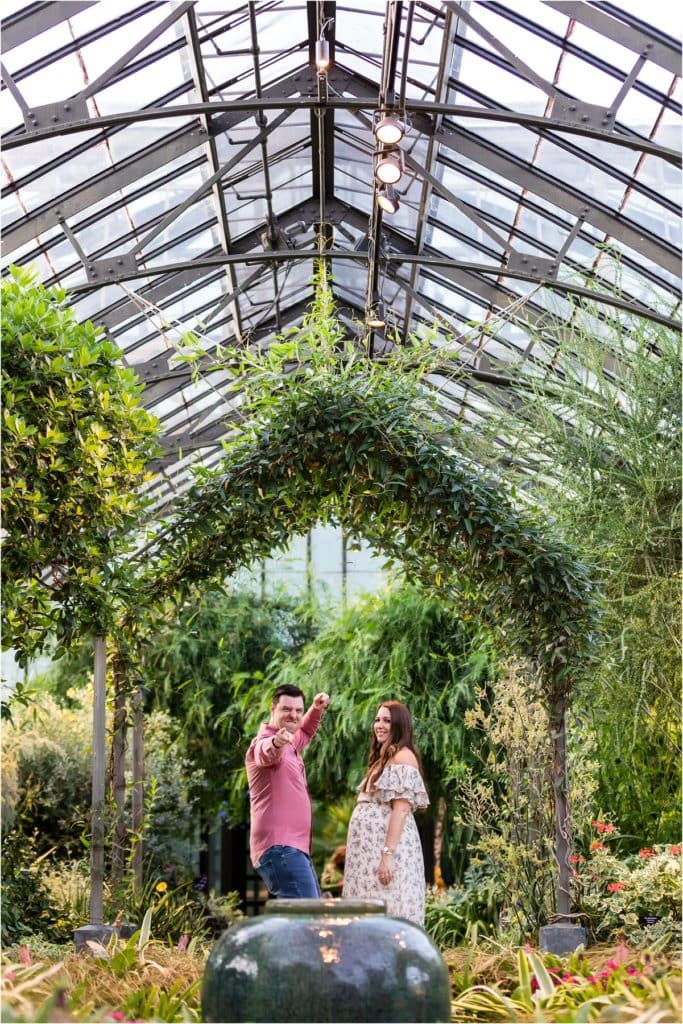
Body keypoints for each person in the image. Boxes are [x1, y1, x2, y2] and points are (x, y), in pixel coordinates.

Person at [342, 701, 429, 925]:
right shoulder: (383, 757)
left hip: (388, 852)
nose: (380, 725)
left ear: (399, 725)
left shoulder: (403, 757)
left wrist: (387, 855)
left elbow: (400, 809)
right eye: (377, 719)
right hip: (368, 855)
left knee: (390, 912)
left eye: (387, 721)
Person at [246, 683, 330, 898]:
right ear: (273, 709)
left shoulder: (292, 741)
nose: (293, 715)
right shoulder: (263, 742)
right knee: (309, 917)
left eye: (298, 710)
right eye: (286, 709)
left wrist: (316, 709)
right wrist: (275, 742)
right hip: (280, 847)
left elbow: (305, 732)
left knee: (303, 919)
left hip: (292, 849)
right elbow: (266, 753)